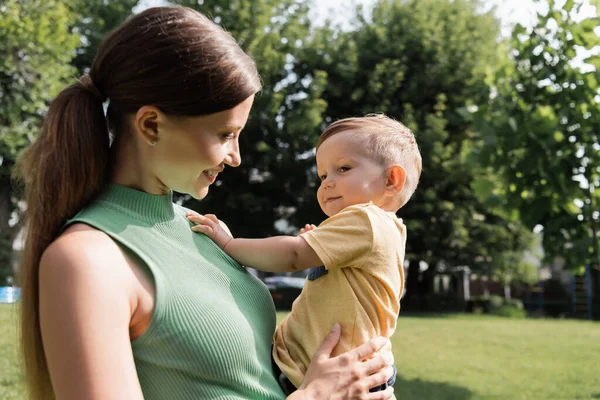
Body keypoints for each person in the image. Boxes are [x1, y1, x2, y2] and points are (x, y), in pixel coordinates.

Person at [15, 7, 395, 400]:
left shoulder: (201, 229)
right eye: (225, 134)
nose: (236, 157)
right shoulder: (87, 260)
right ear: (151, 125)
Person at [188, 114, 422, 395]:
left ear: (392, 179)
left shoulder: (367, 220)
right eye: (323, 175)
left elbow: (293, 256)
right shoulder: (384, 230)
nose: (327, 183)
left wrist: (228, 244)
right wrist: (319, 243)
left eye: (343, 168)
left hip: (337, 381)